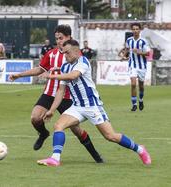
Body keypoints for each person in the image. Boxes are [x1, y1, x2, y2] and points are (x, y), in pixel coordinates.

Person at [37, 39, 151, 167]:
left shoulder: (83, 61)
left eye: (68, 53)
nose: (65, 56)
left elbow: (73, 76)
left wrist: (51, 76)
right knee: (58, 126)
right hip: (77, 107)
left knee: (110, 136)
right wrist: (52, 110)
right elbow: (61, 91)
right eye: (63, 53)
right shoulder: (65, 66)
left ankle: (140, 149)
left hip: (92, 106)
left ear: (76, 51)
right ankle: (55, 158)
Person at [9, 25, 103, 163]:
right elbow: (40, 69)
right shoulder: (51, 53)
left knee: (76, 130)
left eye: (61, 38)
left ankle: (96, 156)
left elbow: (76, 74)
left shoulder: (76, 55)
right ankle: (43, 133)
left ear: (69, 38)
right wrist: (19, 75)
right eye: (57, 38)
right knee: (35, 117)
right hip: (49, 93)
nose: (58, 41)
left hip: (67, 96)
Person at [124, 23, 150, 111]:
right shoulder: (129, 40)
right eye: (133, 29)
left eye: (137, 29)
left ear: (140, 30)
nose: (135, 31)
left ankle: (141, 100)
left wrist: (138, 51)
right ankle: (134, 104)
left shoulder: (143, 41)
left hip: (142, 66)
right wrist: (124, 56)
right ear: (132, 30)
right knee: (133, 84)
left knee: (141, 86)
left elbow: (147, 53)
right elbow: (127, 49)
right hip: (132, 65)